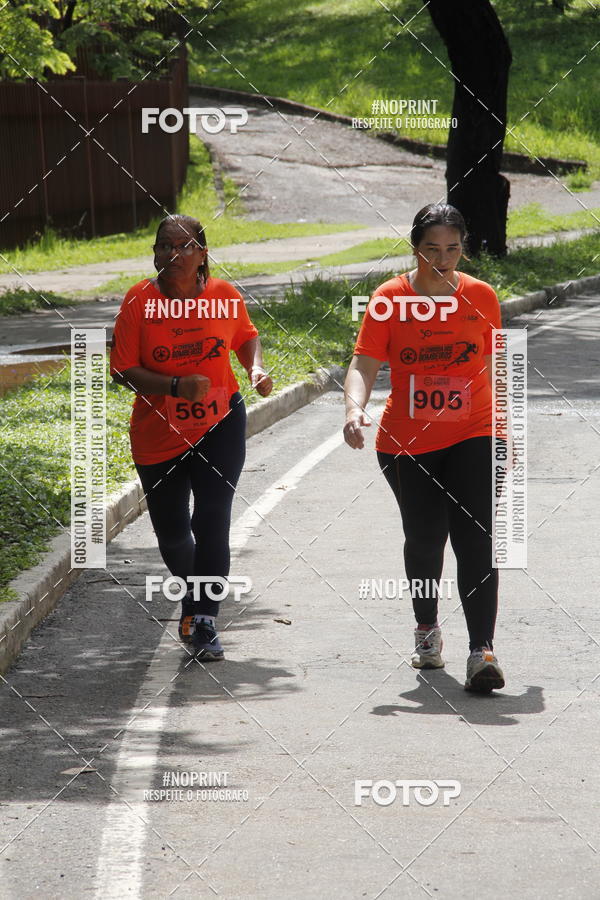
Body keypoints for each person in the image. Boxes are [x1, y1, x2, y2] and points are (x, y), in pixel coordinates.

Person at [343, 203, 505, 693]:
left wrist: (504, 432)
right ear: (415, 248)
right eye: (432, 249)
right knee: (426, 537)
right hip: (406, 442)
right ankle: (427, 630)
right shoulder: (389, 298)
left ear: (463, 248)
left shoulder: (481, 296)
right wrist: (353, 410)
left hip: (475, 430)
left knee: (475, 536)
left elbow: (499, 370)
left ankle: (482, 651)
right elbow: (364, 364)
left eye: (453, 249)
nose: (443, 258)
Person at [110, 213, 272, 660]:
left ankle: (204, 620)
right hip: (158, 432)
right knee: (173, 534)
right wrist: (175, 386)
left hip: (220, 421)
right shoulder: (139, 301)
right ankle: (193, 599)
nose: (172, 255)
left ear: (202, 253)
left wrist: (254, 367)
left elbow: (246, 336)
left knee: (213, 520)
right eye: (164, 246)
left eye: (183, 247)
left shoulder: (223, 296)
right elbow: (122, 370)